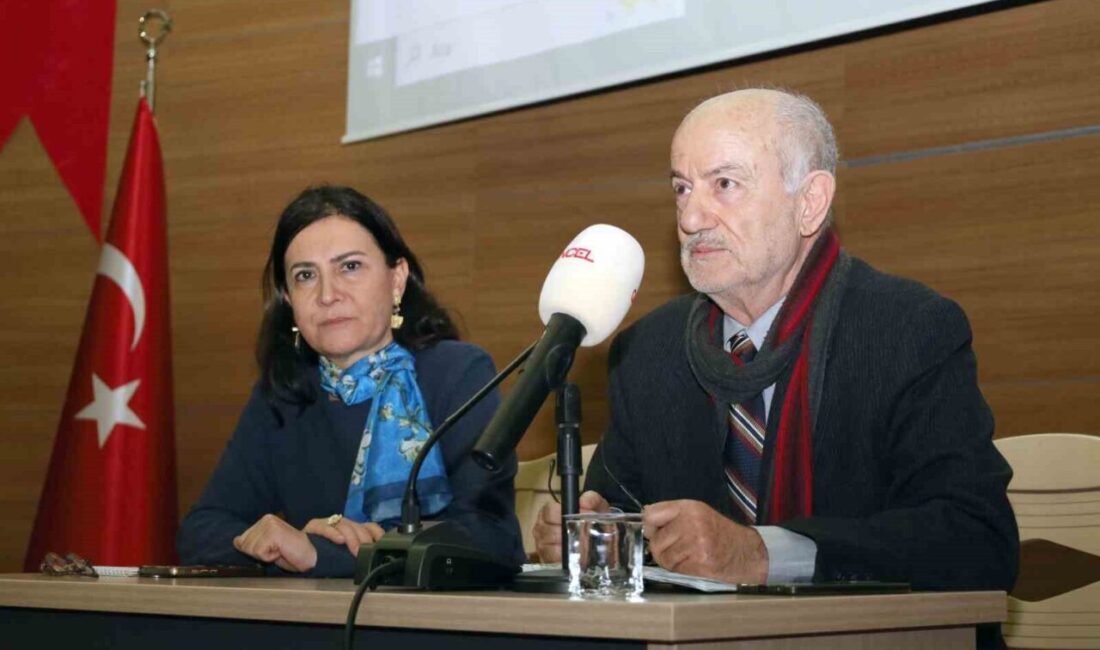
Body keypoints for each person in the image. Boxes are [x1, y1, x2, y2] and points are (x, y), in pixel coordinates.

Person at [534, 88, 1017, 643]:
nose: (691, 217)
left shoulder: (908, 329)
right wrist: (591, 535)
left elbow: (978, 542)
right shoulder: (649, 350)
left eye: (725, 184)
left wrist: (767, 554)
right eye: (681, 188)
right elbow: (619, 511)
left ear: (809, 201)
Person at [178, 185, 524, 576]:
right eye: (306, 276)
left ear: (397, 280)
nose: (328, 294)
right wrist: (275, 541)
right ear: (289, 301)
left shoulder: (456, 374)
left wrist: (317, 554)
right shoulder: (285, 395)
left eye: (350, 267)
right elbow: (200, 532)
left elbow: (491, 538)